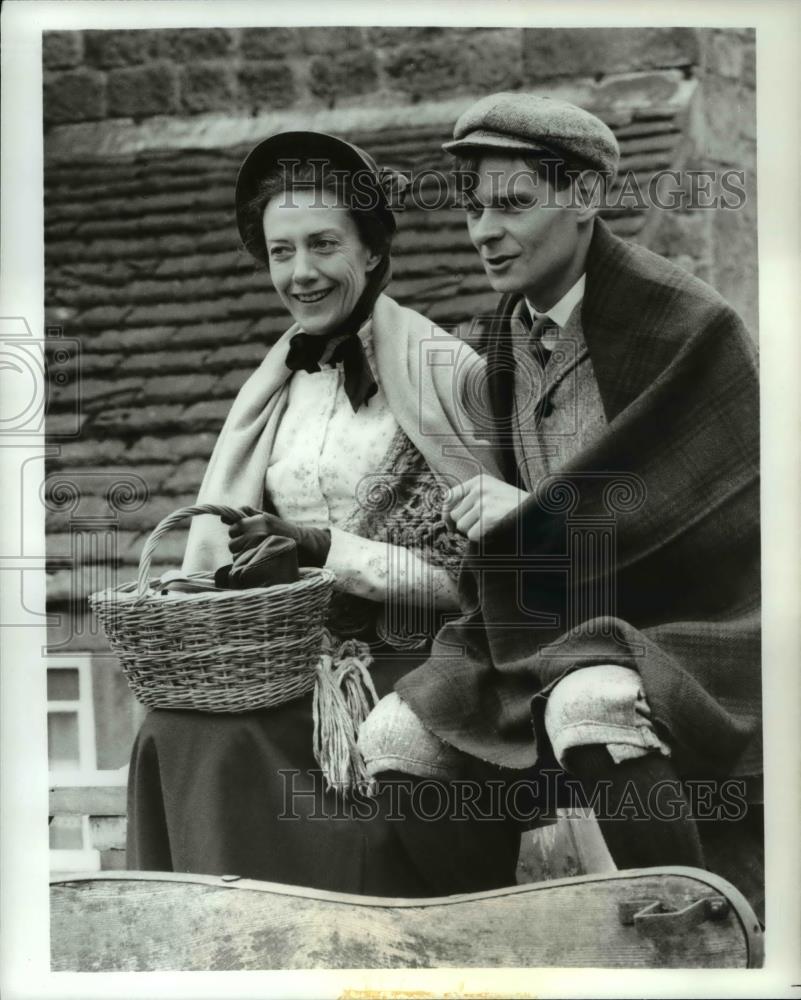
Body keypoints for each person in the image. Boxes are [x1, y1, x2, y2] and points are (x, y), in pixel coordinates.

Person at [359, 93, 762, 913]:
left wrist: (527, 516)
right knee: (393, 735)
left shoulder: (689, 326)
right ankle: (490, 949)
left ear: (582, 199)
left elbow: (714, 526)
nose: (482, 231)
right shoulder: (508, 330)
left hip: (701, 620)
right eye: (474, 209)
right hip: (553, 625)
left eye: (511, 204)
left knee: (590, 702)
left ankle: (703, 937)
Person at [126, 131, 523, 896]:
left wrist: (320, 548)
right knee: (173, 734)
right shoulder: (271, 391)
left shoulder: (449, 376)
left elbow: (475, 579)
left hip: (423, 661)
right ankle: (208, 941)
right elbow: (225, 551)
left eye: (322, 245)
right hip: (292, 659)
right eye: (281, 252)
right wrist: (249, 574)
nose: (300, 274)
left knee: (330, 767)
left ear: (371, 251)